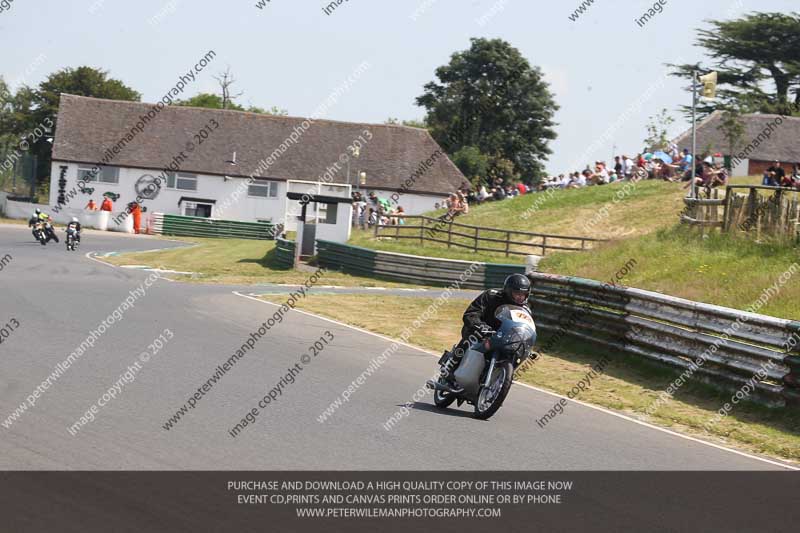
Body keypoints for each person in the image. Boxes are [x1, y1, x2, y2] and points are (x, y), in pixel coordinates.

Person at [440, 274, 533, 388]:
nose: (520, 297)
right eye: (517, 293)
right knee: (473, 336)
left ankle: (500, 384)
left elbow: (526, 326)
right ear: (508, 291)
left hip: (504, 337)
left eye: (523, 294)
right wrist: (479, 325)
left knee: (517, 351)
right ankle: (450, 368)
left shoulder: (526, 309)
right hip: (481, 330)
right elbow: (471, 313)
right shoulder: (491, 296)